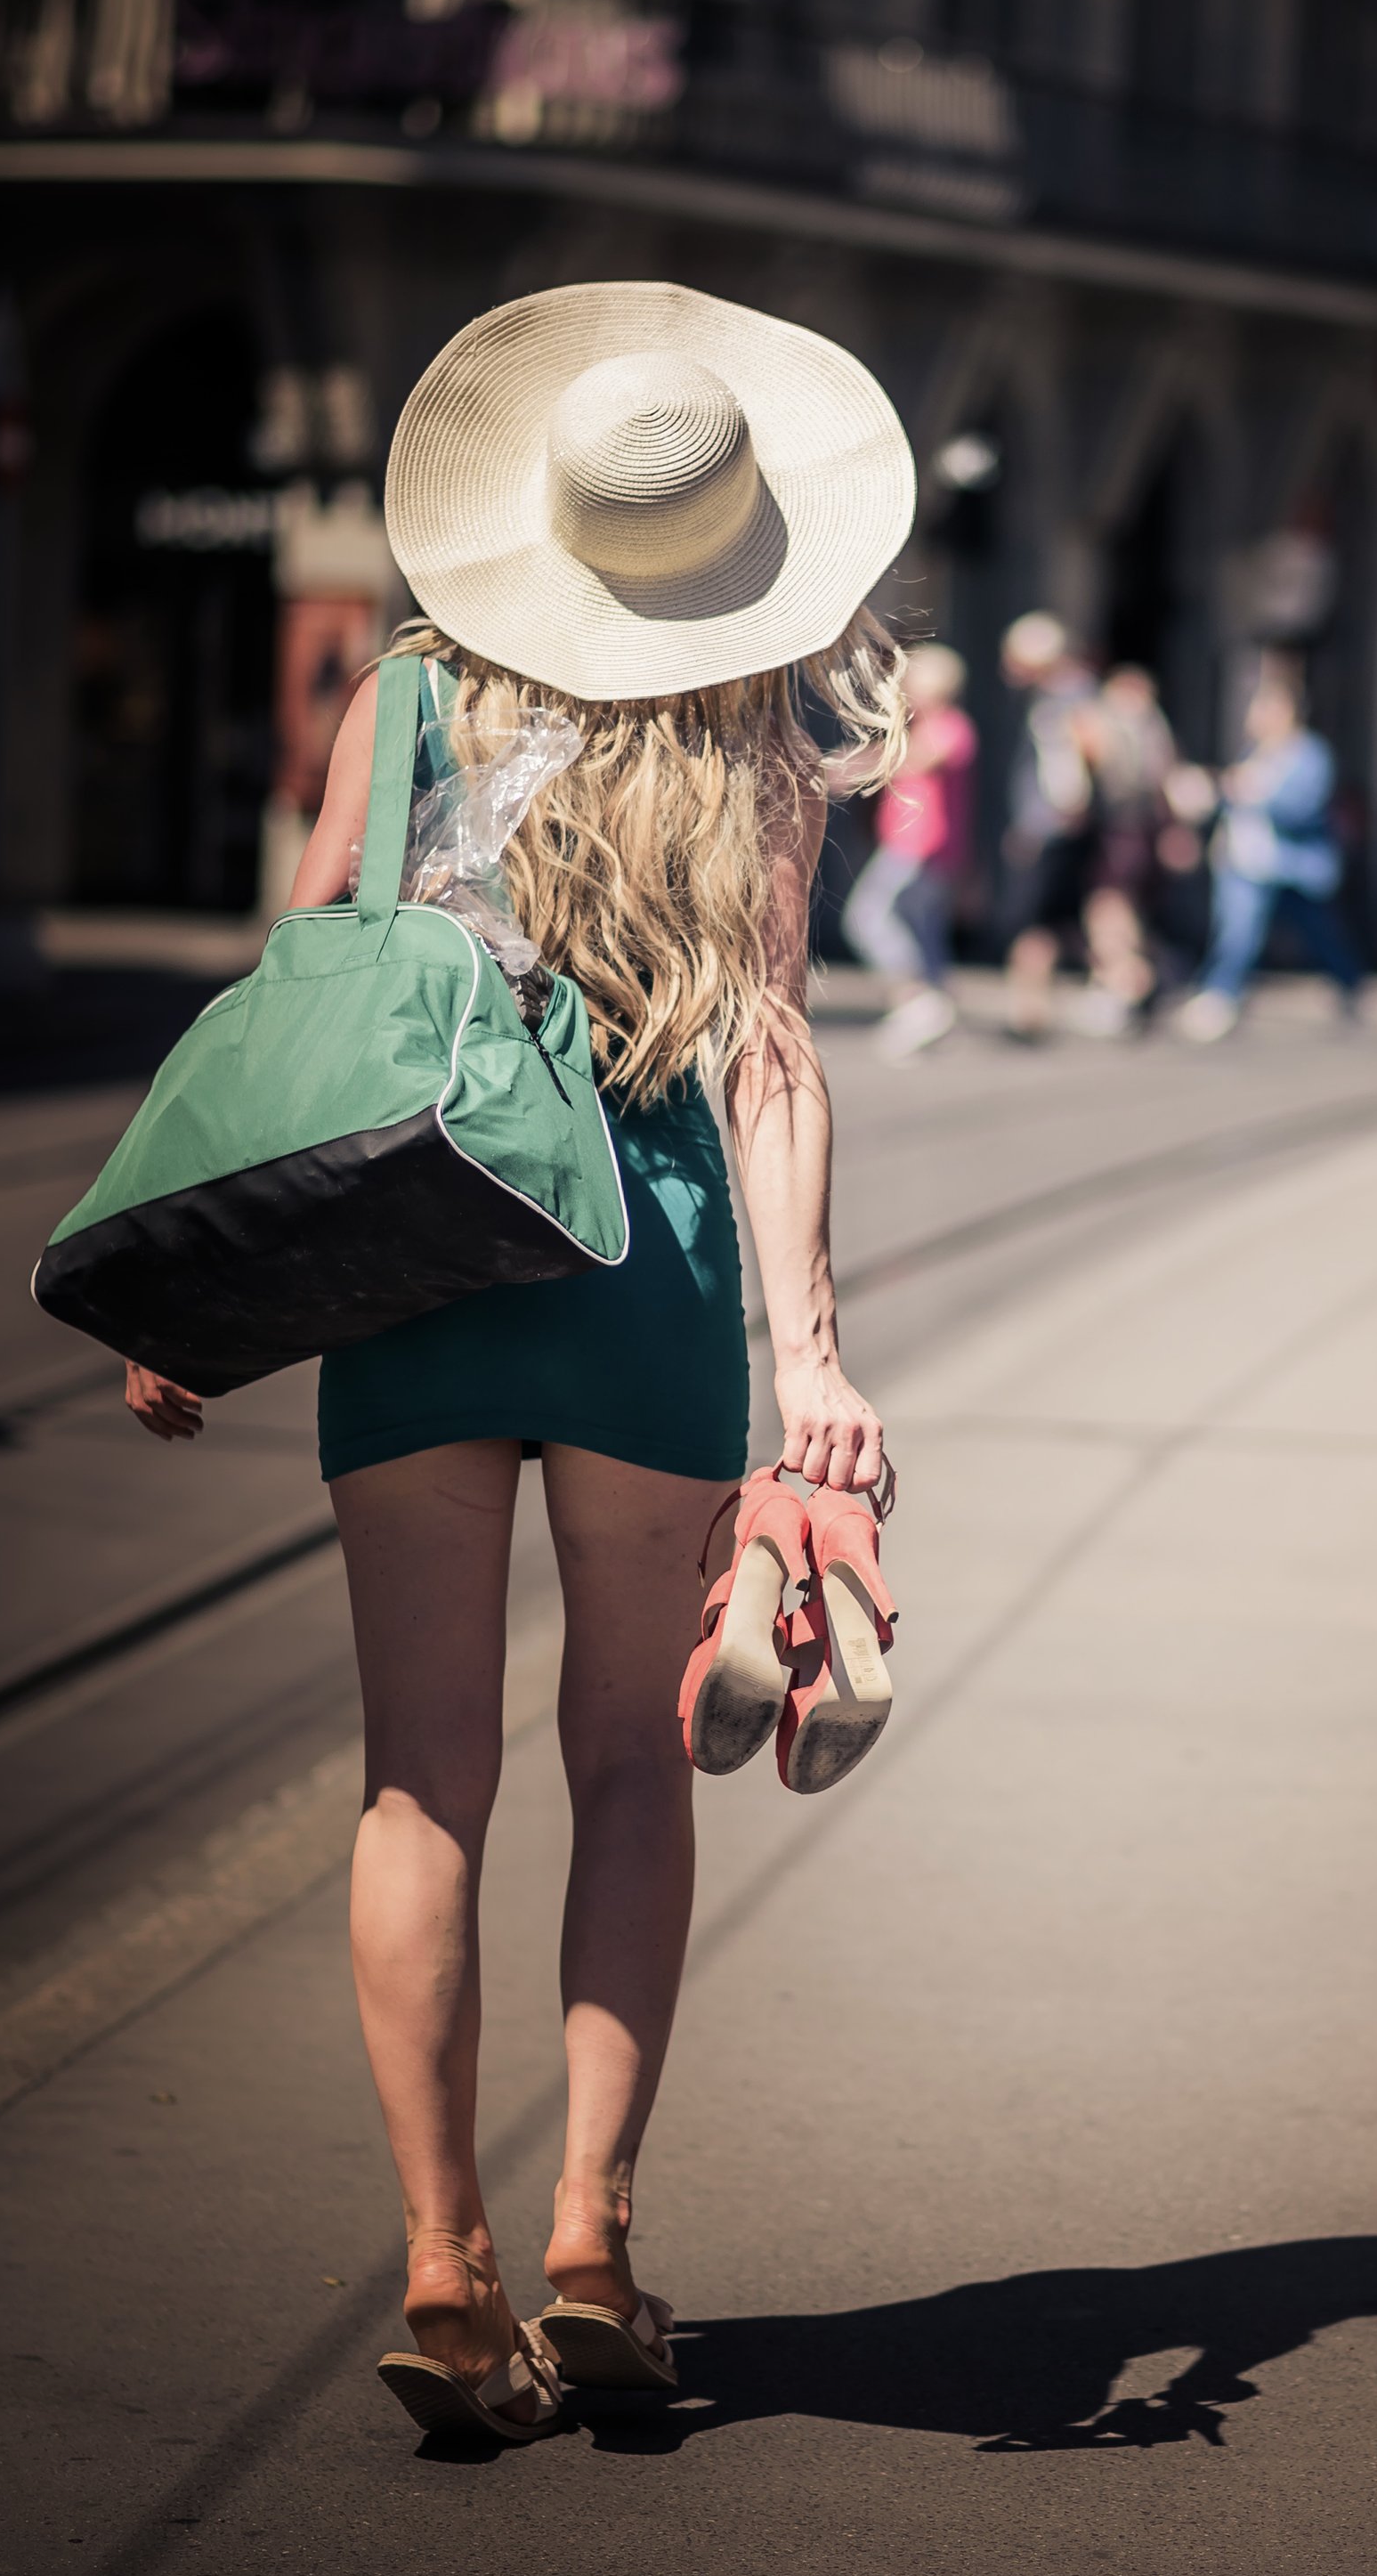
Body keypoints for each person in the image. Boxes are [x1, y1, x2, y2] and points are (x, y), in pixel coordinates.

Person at [121, 283, 911, 2440]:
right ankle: (589, 2241)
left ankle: (443, 2280)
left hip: (407, 1264)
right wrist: (812, 1355)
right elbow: (766, 1056)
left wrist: (197, 1288)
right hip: (635, 1269)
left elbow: (301, 998)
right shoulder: (746, 732)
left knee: (418, 1779)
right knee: (633, 1767)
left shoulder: (399, 706)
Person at [1178, 660, 1363, 1044]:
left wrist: (1249, 794)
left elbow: (1303, 807)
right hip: (1247, 863)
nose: (1255, 716)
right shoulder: (1254, 754)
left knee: (1320, 934)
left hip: (1291, 865)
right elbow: (1235, 802)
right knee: (1238, 931)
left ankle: (1350, 982)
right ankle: (1221, 995)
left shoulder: (1309, 754)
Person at [838, 640, 976, 1060]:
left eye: (911, 679)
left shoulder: (949, 725)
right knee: (923, 926)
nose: (903, 687)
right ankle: (932, 1009)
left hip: (918, 845)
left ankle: (916, 998)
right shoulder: (929, 726)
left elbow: (917, 761)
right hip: (923, 847)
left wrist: (857, 767)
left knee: (868, 917)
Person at [996, 609, 1098, 1043]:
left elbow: (1083, 753)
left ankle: (1029, 1012)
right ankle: (1033, 1009)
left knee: (1029, 921)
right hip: (1057, 826)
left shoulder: (1062, 697)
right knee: (1056, 921)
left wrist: (1045, 820)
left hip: (1052, 828)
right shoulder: (1064, 693)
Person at [1081, 662, 1180, 1031]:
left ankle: (1129, 985)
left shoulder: (1122, 728)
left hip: (1119, 836)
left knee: (1109, 914)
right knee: (1121, 914)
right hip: (1138, 837)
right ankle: (1132, 983)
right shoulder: (1155, 732)